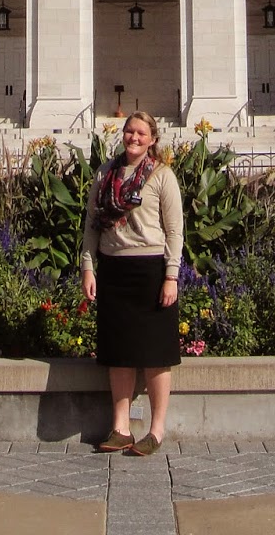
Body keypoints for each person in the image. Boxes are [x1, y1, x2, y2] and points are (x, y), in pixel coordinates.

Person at [80, 111, 184, 455]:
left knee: (156, 354)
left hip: (151, 270)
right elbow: (92, 224)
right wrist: (88, 268)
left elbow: (174, 231)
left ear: (152, 139)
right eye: (129, 131)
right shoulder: (105, 173)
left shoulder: (161, 175)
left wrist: (171, 276)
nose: (134, 138)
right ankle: (120, 427)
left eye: (141, 133)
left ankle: (156, 430)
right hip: (114, 268)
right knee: (119, 353)